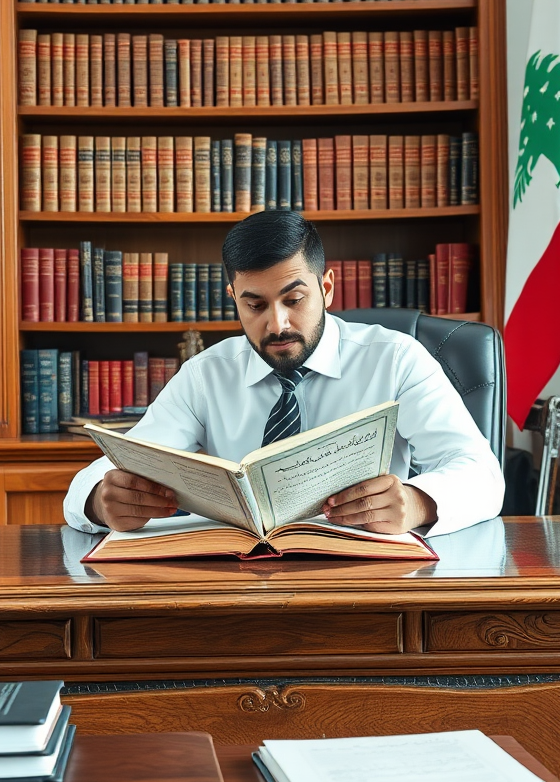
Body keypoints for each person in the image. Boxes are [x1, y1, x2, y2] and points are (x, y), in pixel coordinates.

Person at [64, 211, 504, 537]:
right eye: (255, 305)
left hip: (368, 580)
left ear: (326, 288)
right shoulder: (206, 375)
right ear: (233, 297)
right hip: (242, 584)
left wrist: (416, 502)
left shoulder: (395, 359)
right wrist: (100, 502)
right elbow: (103, 473)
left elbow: (482, 474)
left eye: (294, 299)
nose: (277, 324)